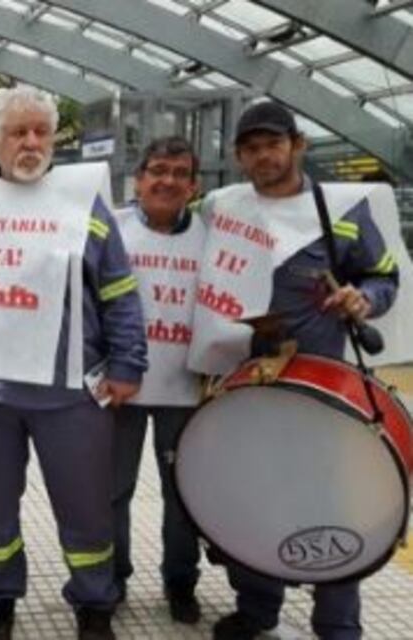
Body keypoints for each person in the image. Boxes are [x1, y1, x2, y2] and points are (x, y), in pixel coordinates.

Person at [187, 101, 400, 640]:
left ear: (297, 145)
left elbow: (383, 276)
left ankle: (337, 623)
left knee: (332, 499)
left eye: (273, 144)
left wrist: (364, 298)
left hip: (320, 387)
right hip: (244, 386)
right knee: (254, 496)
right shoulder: (221, 206)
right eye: (252, 148)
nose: (264, 156)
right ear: (239, 156)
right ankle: (258, 611)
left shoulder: (341, 210)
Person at [0, 85, 147, 640]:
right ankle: (0, 595)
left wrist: (128, 363)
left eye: (41, 132)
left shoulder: (83, 204)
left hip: (70, 395)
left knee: (86, 509)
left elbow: (120, 289)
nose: (31, 142)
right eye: (18, 132)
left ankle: (94, 602)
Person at [111, 136, 205, 623]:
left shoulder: (211, 234)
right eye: (158, 170)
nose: (167, 180)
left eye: (179, 172)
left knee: (183, 491)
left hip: (187, 389)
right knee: (113, 489)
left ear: (194, 185)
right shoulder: (113, 229)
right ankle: (112, 578)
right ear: (139, 180)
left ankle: (180, 581)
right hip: (120, 388)